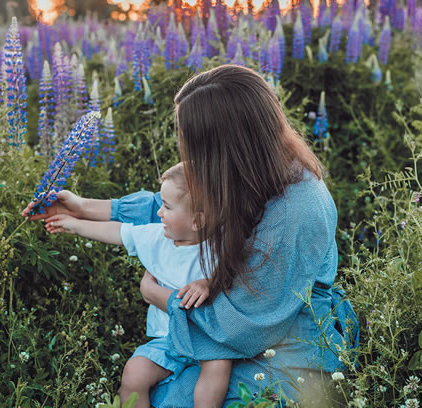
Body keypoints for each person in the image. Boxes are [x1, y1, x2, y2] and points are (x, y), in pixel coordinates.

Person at [23, 64, 358, 406]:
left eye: (192, 141)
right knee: (147, 386)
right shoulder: (256, 169)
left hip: (286, 347)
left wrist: (161, 297)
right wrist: (81, 207)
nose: (188, 150)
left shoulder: (295, 209)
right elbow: (179, 205)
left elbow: (244, 326)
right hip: (236, 327)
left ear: (227, 142)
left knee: (170, 398)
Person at [39, 162, 232, 408]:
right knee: (134, 372)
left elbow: (236, 272)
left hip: (207, 337)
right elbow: (119, 232)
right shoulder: (157, 237)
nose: (159, 212)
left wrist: (208, 282)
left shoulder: (221, 245)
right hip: (168, 340)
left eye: (167, 206)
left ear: (197, 221)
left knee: (218, 366)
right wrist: (73, 224)